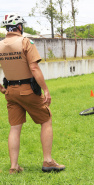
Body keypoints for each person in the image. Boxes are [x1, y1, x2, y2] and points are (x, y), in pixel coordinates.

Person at [0, 13, 65, 174]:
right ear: (19, 27)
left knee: (15, 127)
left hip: (10, 92)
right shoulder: (25, 42)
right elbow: (34, 68)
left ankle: (14, 166)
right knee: (46, 119)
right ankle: (48, 161)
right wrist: (46, 89)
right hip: (28, 90)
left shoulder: (0, 45)